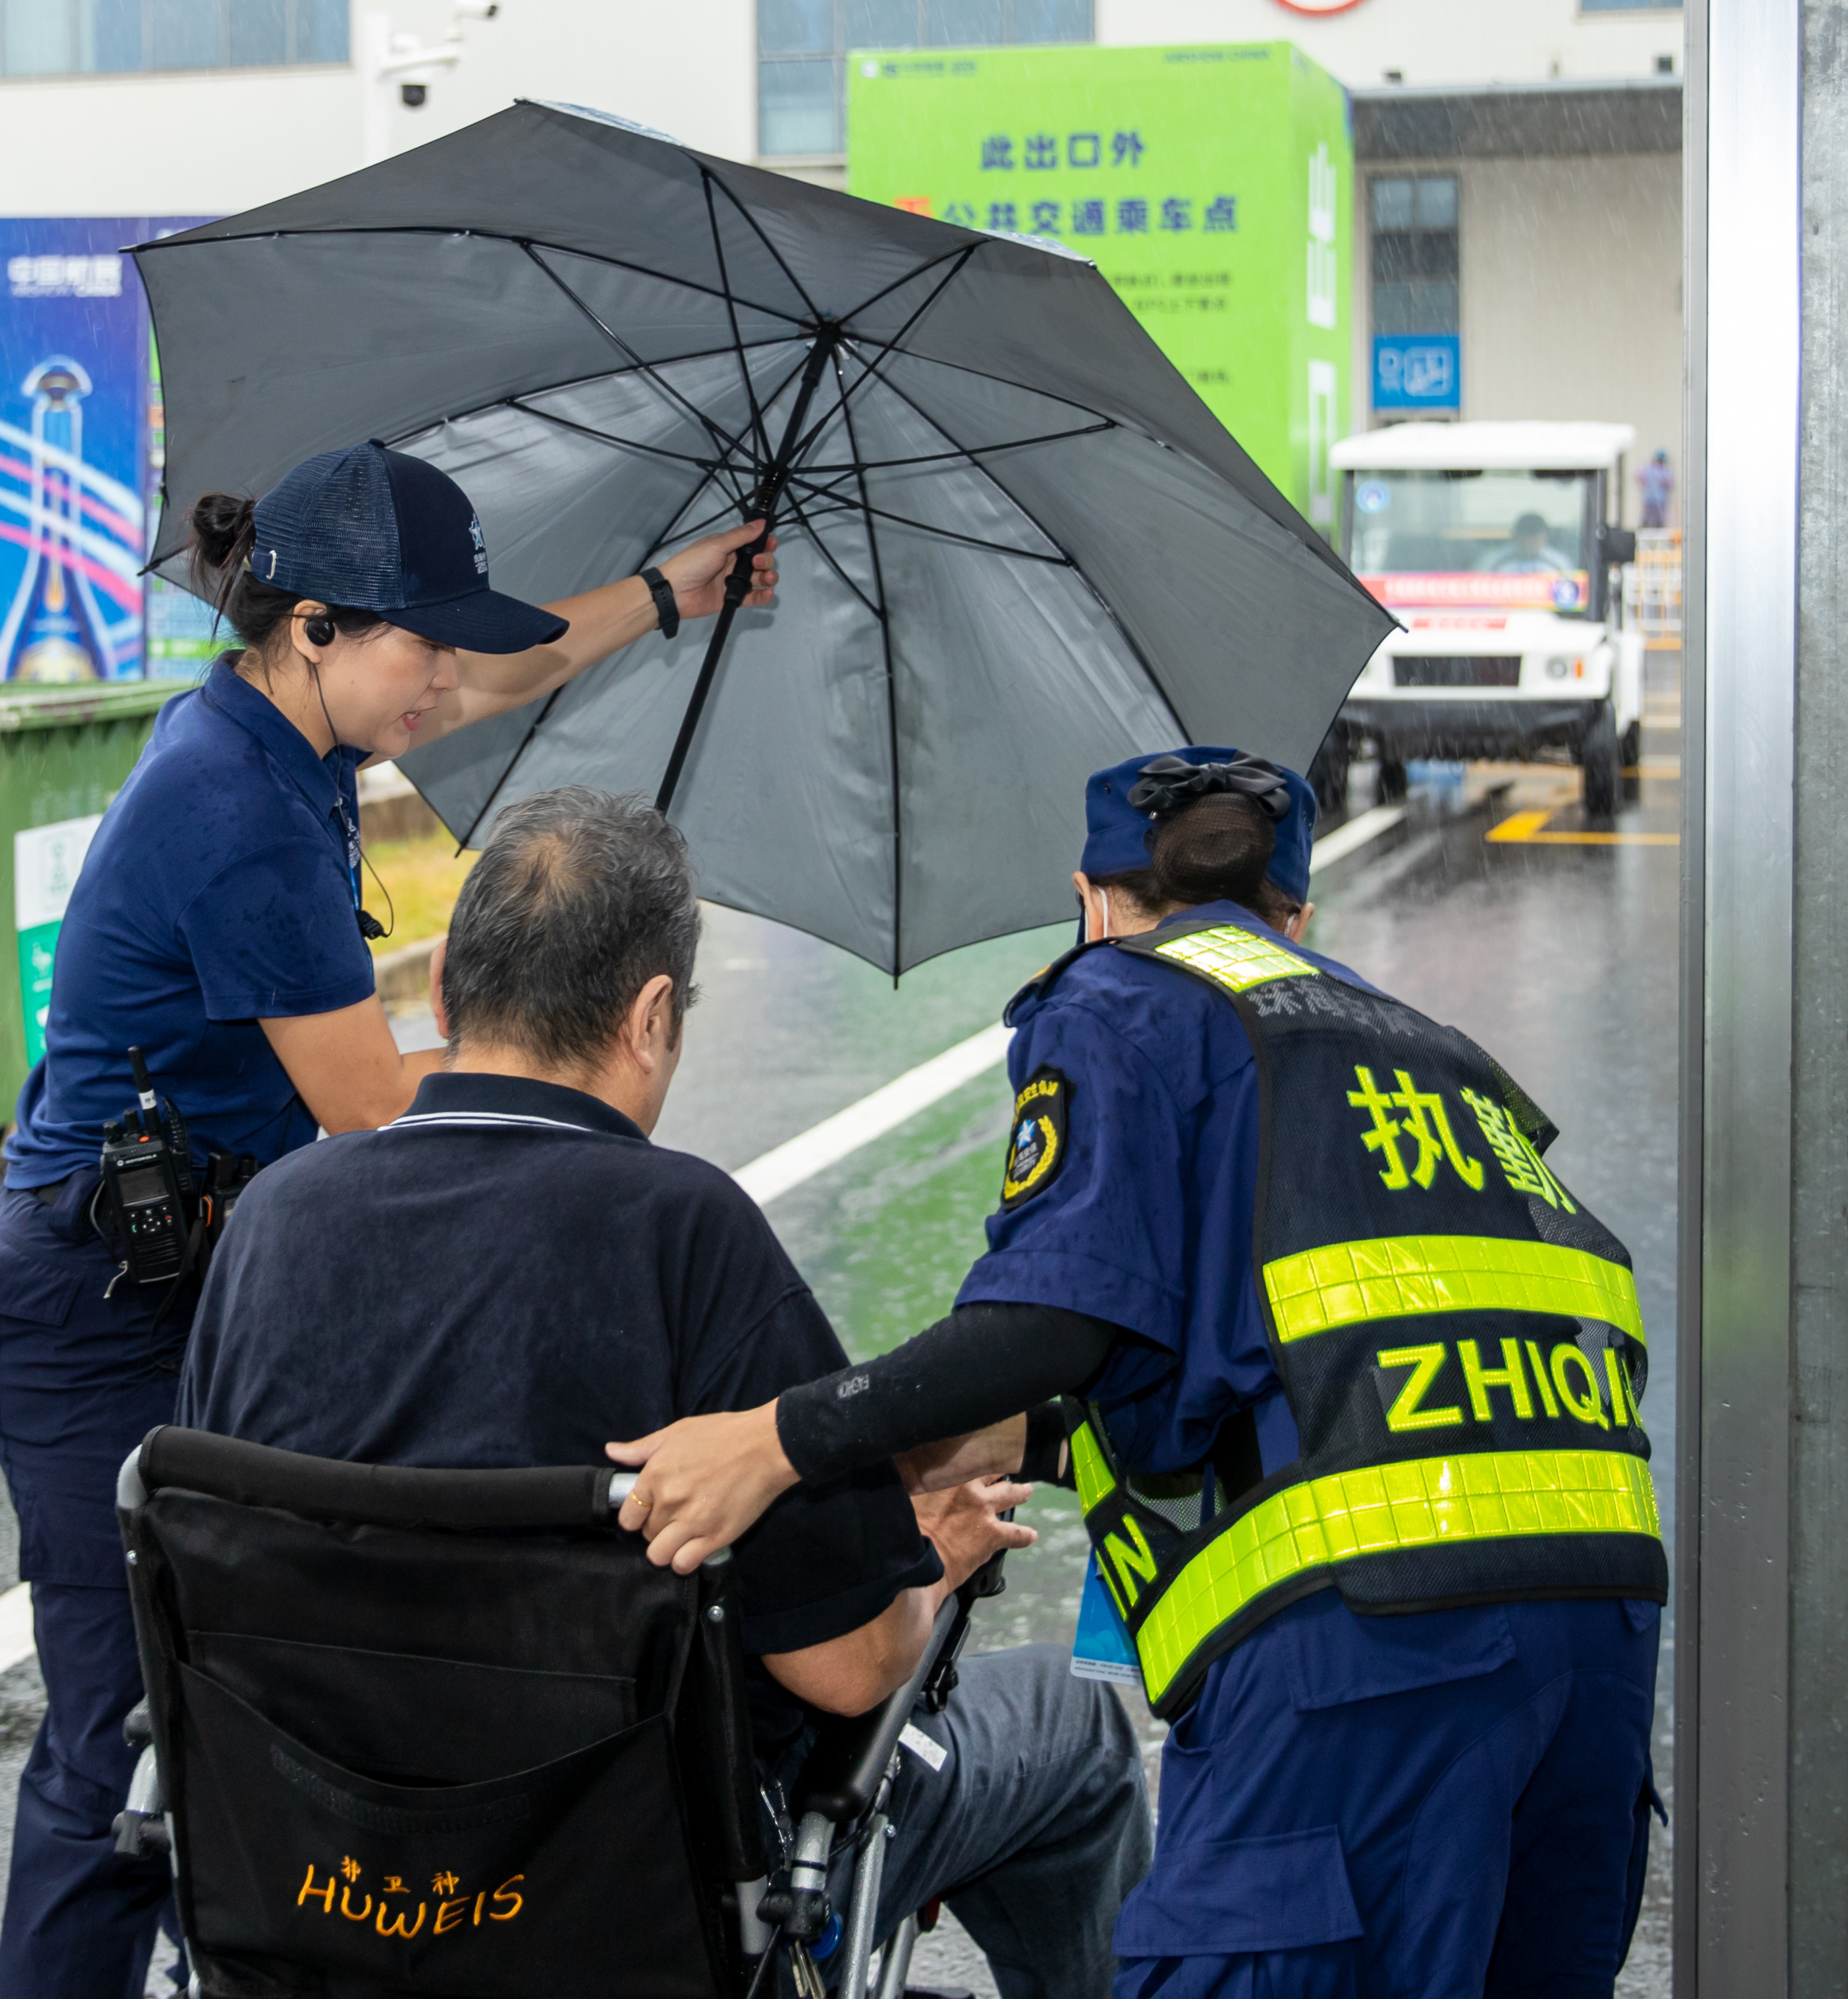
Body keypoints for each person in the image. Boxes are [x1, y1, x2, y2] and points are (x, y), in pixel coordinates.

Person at [607, 749, 1668, 1998]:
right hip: (1596, 1623)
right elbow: (1334, 1353)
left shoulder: (1118, 995)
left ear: (1093, 901)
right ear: (1297, 918)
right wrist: (1043, 1438)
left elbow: (1051, 1324)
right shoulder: (1426, 1049)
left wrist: (775, 1443)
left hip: (1369, 1644)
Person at [0, 439, 773, 1999]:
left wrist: (670, 596)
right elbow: (375, 1113)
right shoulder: (234, 813)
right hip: (92, 1315)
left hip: (204, 1268)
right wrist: (572, 1067)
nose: (446, 678)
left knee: (257, 1694)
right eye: (423, 637)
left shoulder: (289, 738)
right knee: (118, 1744)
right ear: (316, 625)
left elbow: (488, 685)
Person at [177, 788, 1153, 1998]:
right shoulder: (685, 1235)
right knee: (1076, 1729)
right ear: (650, 1018)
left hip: (322, 1865)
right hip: (623, 1895)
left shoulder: (275, 1219)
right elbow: (848, 1668)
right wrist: (922, 1565)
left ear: (440, 999)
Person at [1489, 510, 1573, 574]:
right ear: (1515, 537)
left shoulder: (1559, 562)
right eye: (1525, 537)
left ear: (1545, 537)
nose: (1529, 542)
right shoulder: (1494, 560)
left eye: (1535, 537)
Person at [1637, 448, 1674, 530]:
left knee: (1659, 523)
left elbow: (1670, 483)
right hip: (1649, 500)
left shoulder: (1666, 470)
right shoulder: (1648, 468)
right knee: (1647, 522)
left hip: (1660, 501)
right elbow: (1639, 477)